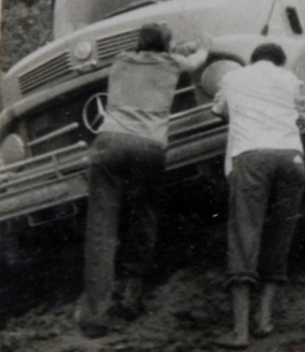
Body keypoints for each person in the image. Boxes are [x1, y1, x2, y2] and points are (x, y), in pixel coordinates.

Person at [77, 23, 209, 338]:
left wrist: (172, 47)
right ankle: (132, 296)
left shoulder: (122, 60)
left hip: (109, 143)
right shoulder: (174, 63)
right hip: (148, 146)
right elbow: (198, 59)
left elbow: (155, 54)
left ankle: (95, 316)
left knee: (101, 227)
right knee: (144, 216)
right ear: (167, 46)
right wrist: (203, 41)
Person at [212, 43, 305, 350]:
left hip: (251, 156)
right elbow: (301, 116)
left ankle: (240, 333)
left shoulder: (232, 77)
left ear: (252, 59)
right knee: (280, 235)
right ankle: (264, 319)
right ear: (281, 61)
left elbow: (219, 112)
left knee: (244, 235)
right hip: (292, 158)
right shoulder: (292, 79)